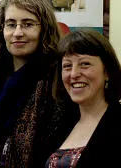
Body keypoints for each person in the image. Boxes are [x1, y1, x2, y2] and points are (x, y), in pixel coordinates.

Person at [0, 0, 68, 167]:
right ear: (2, 29)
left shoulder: (55, 79)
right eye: (11, 24)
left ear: (44, 29)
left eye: (28, 24)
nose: (17, 33)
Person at [46, 30, 121, 167]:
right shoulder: (60, 123)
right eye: (67, 66)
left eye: (85, 64)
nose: (74, 74)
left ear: (107, 72)